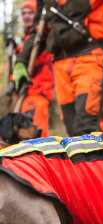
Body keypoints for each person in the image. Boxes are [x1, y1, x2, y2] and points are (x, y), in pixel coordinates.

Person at [13, 0, 103, 137]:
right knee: (73, 132)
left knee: (87, 129)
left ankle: (96, 158)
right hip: (60, 64)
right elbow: (38, 30)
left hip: (92, 56)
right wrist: (21, 62)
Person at [16, 0, 54, 138]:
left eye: (30, 13)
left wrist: (20, 52)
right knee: (28, 137)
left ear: (37, 14)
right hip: (27, 94)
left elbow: (37, 59)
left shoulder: (42, 37)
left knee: (36, 136)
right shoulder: (27, 38)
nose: (26, 16)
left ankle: (44, 159)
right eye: (23, 13)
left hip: (38, 93)